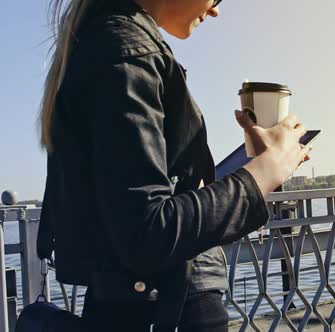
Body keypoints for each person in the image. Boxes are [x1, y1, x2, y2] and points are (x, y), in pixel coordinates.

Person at [37, 0, 312, 331]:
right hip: (165, 306)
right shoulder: (126, 52)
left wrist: (253, 167)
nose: (215, 11)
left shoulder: (109, 43)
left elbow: (140, 207)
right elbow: (148, 231)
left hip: (135, 303)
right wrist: (265, 171)